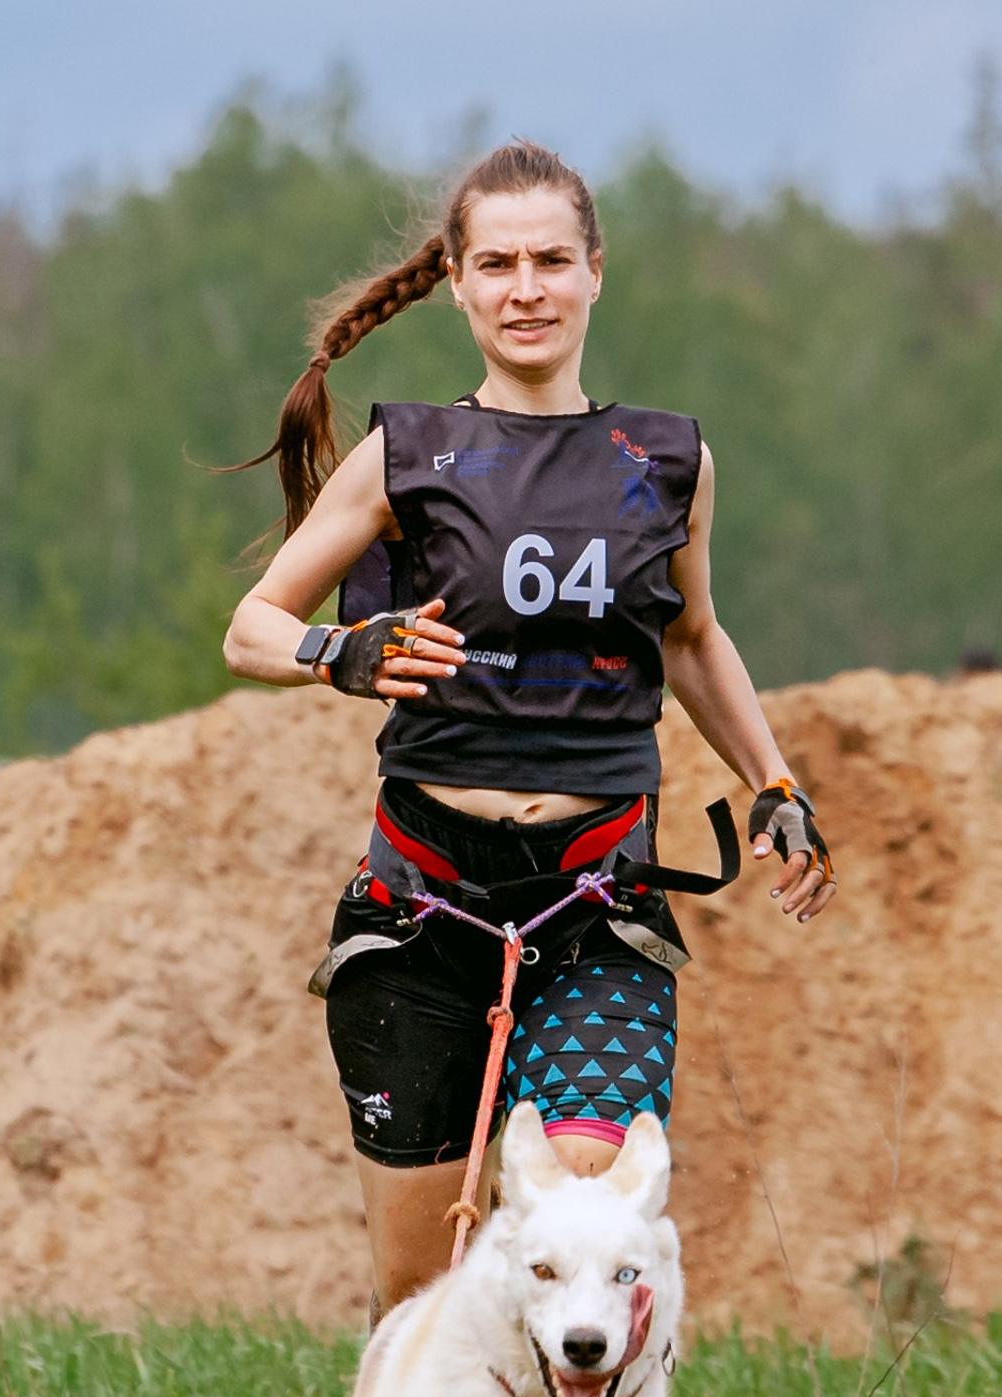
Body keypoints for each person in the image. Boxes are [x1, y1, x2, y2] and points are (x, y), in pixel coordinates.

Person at [222, 141, 835, 1313]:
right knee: (421, 1290)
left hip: (594, 904)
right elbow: (252, 626)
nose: (525, 288)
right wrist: (340, 652)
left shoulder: (666, 461)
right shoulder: (407, 453)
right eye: (496, 263)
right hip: (423, 907)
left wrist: (773, 784)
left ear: (595, 272)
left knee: (585, 1230)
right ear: (455, 282)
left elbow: (694, 638)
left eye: (551, 259)